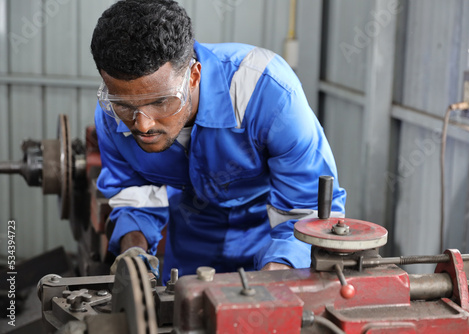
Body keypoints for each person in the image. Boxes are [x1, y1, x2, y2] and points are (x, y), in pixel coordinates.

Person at [91, 0, 346, 284]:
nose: (142, 124)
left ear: (194, 76)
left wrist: (278, 273)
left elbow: (307, 209)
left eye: (161, 102)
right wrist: (134, 255)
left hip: (269, 231)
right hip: (190, 231)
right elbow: (134, 195)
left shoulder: (268, 93)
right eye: (125, 105)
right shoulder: (111, 117)